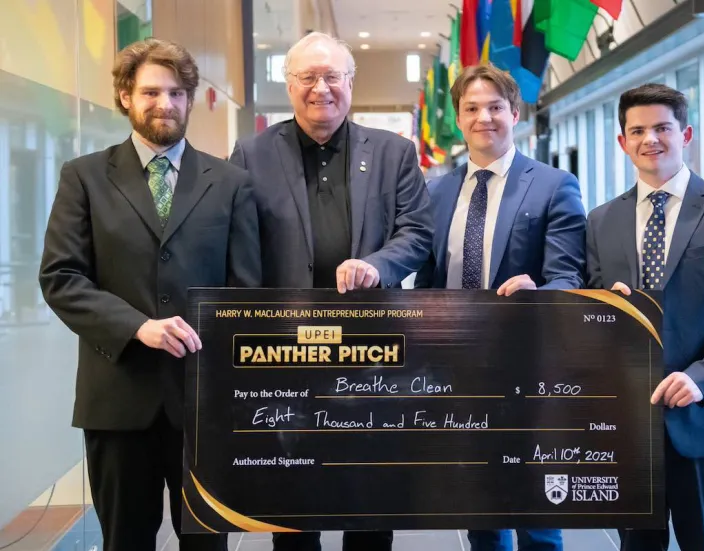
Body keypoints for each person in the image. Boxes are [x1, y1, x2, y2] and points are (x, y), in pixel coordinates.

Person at [38, 38, 262, 551]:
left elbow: (245, 291)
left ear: (189, 100)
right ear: (125, 97)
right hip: (118, 398)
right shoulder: (84, 178)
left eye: (178, 93)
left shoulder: (231, 183)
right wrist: (138, 327)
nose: (166, 103)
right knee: (124, 540)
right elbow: (61, 277)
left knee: (205, 541)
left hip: (202, 402)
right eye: (151, 92)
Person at [229, 31, 432, 551]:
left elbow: (417, 233)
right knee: (293, 490)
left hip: (373, 349)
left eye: (332, 76)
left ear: (351, 82)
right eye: (307, 77)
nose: (321, 88)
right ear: (289, 84)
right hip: (286, 350)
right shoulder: (251, 155)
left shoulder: (394, 152)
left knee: (369, 486)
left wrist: (376, 265)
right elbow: (239, 250)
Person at [585, 83, 704, 551]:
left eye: (662, 127)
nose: (651, 139)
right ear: (622, 142)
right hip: (627, 422)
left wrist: (701, 378)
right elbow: (588, 310)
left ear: (685, 134)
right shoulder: (600, 220)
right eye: (638, 130)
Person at [415, 64, 587, 551]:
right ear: (458, 117)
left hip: (526, 367)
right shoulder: (437, 191)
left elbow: (568, 278)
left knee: (534, 504)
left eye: (495, 107)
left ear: (515, 112)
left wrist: (540, 293)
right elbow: (428, 277)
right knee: (480, 502)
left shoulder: (554, 185)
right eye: (472, 108)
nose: (484, 117)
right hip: (457, 368)